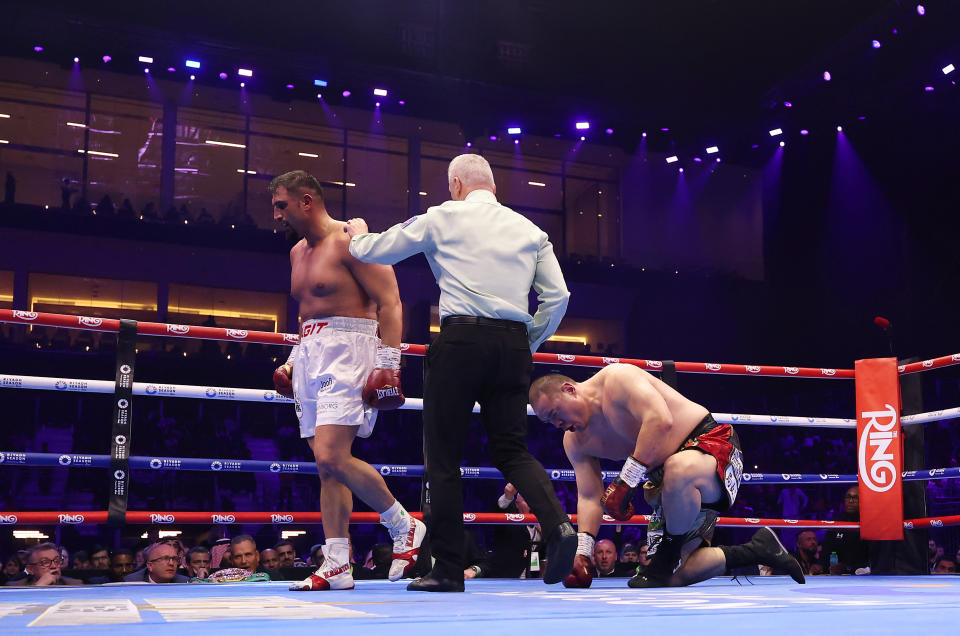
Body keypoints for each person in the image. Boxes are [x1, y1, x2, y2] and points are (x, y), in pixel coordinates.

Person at [346, 153, 576, 592]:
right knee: (512, 450)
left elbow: (380, 249)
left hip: (461, 342)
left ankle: (448, 570)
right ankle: (560, 527)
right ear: (492, 186)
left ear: (455, 184)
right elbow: (559, 295)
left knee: (444, 457)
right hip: (512, 345)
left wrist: (358, 236)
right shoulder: (530, 230)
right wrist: (529, 340)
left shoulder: (443, 216)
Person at [268, 170, 425, 592]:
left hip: (351, 351)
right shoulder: (297, 252)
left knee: (333, 456)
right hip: (312, 354)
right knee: (326, 468)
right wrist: (292, 360)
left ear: (307, 200)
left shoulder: (352, 241)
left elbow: (391, 303)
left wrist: (389, 364)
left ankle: (403, 524)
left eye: (281, 204)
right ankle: (336, 562)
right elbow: (306, 317)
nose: (276, 213)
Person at [529, 367, 805, 588]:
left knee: (678, 468)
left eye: (556, 414)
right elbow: (589, 497)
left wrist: (627, 480)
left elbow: (660, 420)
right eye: (549, 422)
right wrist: (583, 551)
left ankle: (667, 554)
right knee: (670, 577)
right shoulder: (575, 441)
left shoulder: (617, 380)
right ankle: (758, 548)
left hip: (710, 448)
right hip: (670, 489)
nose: (558, 424)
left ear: (569, 390)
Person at [818, 486, 869, 574]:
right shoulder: (837, 523)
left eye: (855, 498)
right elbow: (826, 550)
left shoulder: (870, 524)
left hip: (862, 575)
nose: (851, 501)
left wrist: (848, 568)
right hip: (837, 576)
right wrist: (820, 566)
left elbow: (874, 558)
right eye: (848, 497)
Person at [5, 543, 82, 586]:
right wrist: (39, 587)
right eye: (45, 562)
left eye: (57, 561)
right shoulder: (14, 588)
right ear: (30, 569)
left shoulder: (75, 585)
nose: (54, 566)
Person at [124, 542, 189, 583]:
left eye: (174, 559)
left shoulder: (183, 582)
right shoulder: (132, 582)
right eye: (165, 559)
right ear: (150, 566)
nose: (171, 563)